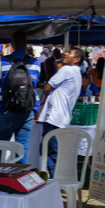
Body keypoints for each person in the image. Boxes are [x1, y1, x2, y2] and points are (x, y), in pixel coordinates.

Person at [0, 31, 40, 164]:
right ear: (26, 45)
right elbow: (34, 85)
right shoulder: (36, 63)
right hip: (27, 110)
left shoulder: (2, 61)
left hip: (6, 109)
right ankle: (19, 179)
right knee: (21, 149)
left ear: (11, 45)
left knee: (0, 148)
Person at [37, 48, 84, 176]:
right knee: (50, 149)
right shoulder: (77, 73)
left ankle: (56, 179)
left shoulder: (66, 70)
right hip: (61, 117)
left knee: (49, 150)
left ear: (76, 59)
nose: (65, 54)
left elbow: (47, 87)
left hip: (54, 117)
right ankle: (56, 178)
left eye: (69, 53)